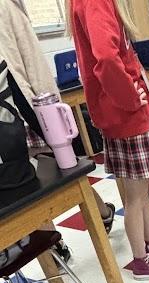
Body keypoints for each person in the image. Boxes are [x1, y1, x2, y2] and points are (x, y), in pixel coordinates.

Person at [67, 0, 149, 280]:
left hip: (120, 112)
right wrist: (130, 97)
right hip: (124, 114)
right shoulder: (96, 1)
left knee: (143, 186)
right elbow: (106, 58)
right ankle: (140, 259)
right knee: (135, 194)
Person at [0, 0, 116, 241]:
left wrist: (53, 113)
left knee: (66, 170)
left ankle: (101, 214)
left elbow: (34, 63)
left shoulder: (6, 8)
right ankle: (54, 243)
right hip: (11, 121)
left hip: (29, 109)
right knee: (32, 187)